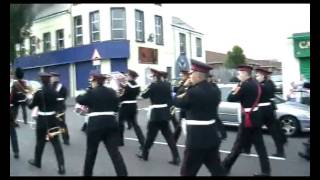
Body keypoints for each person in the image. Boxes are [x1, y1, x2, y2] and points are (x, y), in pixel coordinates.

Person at [174, 60, 226, 176]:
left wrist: (184, 85)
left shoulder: (193, 92)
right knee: (217, 170)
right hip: (212, 136)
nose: (190, 76)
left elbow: (176, 101)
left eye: (191, 73)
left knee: (187, 172)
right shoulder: (215, 90)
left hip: (196, 140)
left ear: (197, 75)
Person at [222, 65, 271, 176]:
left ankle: (225, 166)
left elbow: (230, 99)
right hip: (257, 116)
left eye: (240, 73)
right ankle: (266, 171)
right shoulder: (256, 84)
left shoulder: (244, 86)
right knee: (260, 146)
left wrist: (234, 90)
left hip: (248, 118)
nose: (238, 75)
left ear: (245, 74)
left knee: (238, 145)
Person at [76, 72, 127, 176]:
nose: (91, 83)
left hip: (95, 125)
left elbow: (80, 100)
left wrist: (82, 94)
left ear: (94, 81)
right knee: (115, 153)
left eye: (92, 81)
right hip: (111, 124)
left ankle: (87, 174)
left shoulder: (91, 92)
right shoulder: (112, 92)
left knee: (91, 152)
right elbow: (117, 107)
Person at [136, 68, 180, 165]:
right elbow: (170, 100)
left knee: (150, 136)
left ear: (155, 77)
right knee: (169, 137)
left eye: (153, 76)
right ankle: (176, 157)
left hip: (155, 114)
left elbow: (143, 95)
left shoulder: (152, 85)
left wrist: (148, 87)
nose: (152, 78)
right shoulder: (168, 85)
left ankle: (145, 154)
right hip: (164, 113)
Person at [242, 67, 287, 157]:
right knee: (262, 130)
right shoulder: (265, 83)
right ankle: (247, 148)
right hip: (267, 109)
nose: (256, 77)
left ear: (263, 76)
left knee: (256, 130)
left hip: (265, 110)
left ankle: (280, 151)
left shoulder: (267, 84)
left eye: (258, 75)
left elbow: (264, 92)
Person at [28, 72, 65, 175]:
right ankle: (61, 166)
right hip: (53, 119)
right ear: (49, 80)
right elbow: (59, 106)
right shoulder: (54, 91)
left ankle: (37, 162)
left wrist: (28, 99)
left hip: (41, 120)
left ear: (41, 80)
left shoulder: (39, 92)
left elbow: (31, 106)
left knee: (40, 142)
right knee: (56, 143)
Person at [118, 69, 145, 149]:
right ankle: (142, 142)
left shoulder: (126, 86)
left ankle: (120, 141)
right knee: (136, 125)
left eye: (128, 75)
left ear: (130, 76)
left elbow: (122, 96)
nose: (126, 77)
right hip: (134, 106)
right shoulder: (137, 86)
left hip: (125, 107)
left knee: (120, 124)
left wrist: (118, 97)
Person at [50, 72, 70, 145]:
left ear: (53, 78)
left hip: (53, 108)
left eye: (51, 77)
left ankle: (53, 137)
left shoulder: (50, 87)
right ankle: (66, 139)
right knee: (62, 124)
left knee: (52, 123)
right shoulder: (63, 87)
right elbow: (65, 96)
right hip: (61, 107)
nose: (51, 79)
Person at [171, 70, 190, 143]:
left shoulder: (189, 84)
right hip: (183, 108)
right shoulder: (182, 83)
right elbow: (176, 90)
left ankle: (174, 140)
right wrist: (179, 85)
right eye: (181, 75)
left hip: (186, 108)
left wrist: (183, 86)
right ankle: (173, 140)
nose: (181, 77)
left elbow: (182, 94)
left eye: (183, 75)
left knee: (181, 125)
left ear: (187, 76)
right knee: (179, 125)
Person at [10, 80, 20, 159]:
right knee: (13, 134)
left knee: (13, 134)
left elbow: (16, 103)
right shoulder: (14, 88)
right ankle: (16, 151)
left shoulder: (14, 89)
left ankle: (16, 151)